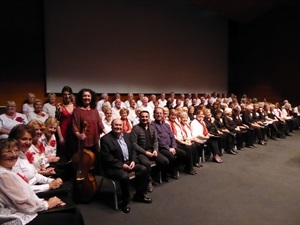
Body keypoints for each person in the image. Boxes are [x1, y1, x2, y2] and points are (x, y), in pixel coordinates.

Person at [0, 139, 85, 225]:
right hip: (20, 217)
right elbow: (22, 202)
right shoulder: (3, 175)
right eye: (8, 151)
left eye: (16, 151)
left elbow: (25, 194)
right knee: (73, 215)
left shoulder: (9, 169)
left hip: (30, 207)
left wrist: (46, 200)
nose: (13, 154)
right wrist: (47, 204)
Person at [100, 119, 152, 214]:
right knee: (124, 177)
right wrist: (121, 165)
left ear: (123, 126)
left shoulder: (127, 136)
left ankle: (139, 195)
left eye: (120, 125)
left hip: (128, 162)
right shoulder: (105, 139)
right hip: (114, 166)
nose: (118, 127)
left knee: (143, 169)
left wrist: (133, 160)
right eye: (116, 125)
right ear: (112, 126)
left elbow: (133, 150)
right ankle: (125, 202)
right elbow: (106, 157)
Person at [130, 111, 169, 192]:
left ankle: (153, 175)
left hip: (152, 150)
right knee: (147, 164)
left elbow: (155, 141)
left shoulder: (152, 128)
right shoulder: (135, 128)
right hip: (141, 152)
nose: (144, 118)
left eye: (146, 117)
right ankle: (149, 181)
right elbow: (134, 144)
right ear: (140, 118)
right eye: (143, 117)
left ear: (149, 117)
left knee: (165, 161)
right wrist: (145, 152)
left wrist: (155, 150)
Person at [72, 88, 106, 173]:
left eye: (88, 96)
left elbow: (99, 123)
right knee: (84, 162)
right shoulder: (77, 111)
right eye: (84, 96)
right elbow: (74, 125)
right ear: (81, 97)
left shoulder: (94, 110)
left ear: (92, 98)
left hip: (94, 139)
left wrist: (106, 132)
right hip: (83, 141)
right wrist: (78, 135)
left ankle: (95, 179)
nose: (87, 98)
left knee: (95, 161)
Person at [151, 107, 188, 180]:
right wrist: (169, 148)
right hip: (161, 148)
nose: (159, 115)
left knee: (183, 153)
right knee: (171, 156)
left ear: (163, 115)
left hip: (171, 146)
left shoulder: (166, 125)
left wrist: (174, 147)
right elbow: (157, 140)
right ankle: (172, 171)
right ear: (154, 115)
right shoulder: (152, 125)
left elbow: (172, 137)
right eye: (157, 113)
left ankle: (173, 168)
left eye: (160, 113)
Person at [56, 86, 76, 161]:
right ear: (62, 95)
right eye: (65, 94)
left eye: (68, 94)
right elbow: (57, 123)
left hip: (74, 133)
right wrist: (60, 136)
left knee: (73, 154)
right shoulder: (59, 107)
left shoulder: (75, 105)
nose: (67, 96)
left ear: (71, 95)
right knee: (64, 155)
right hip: (63, 132)